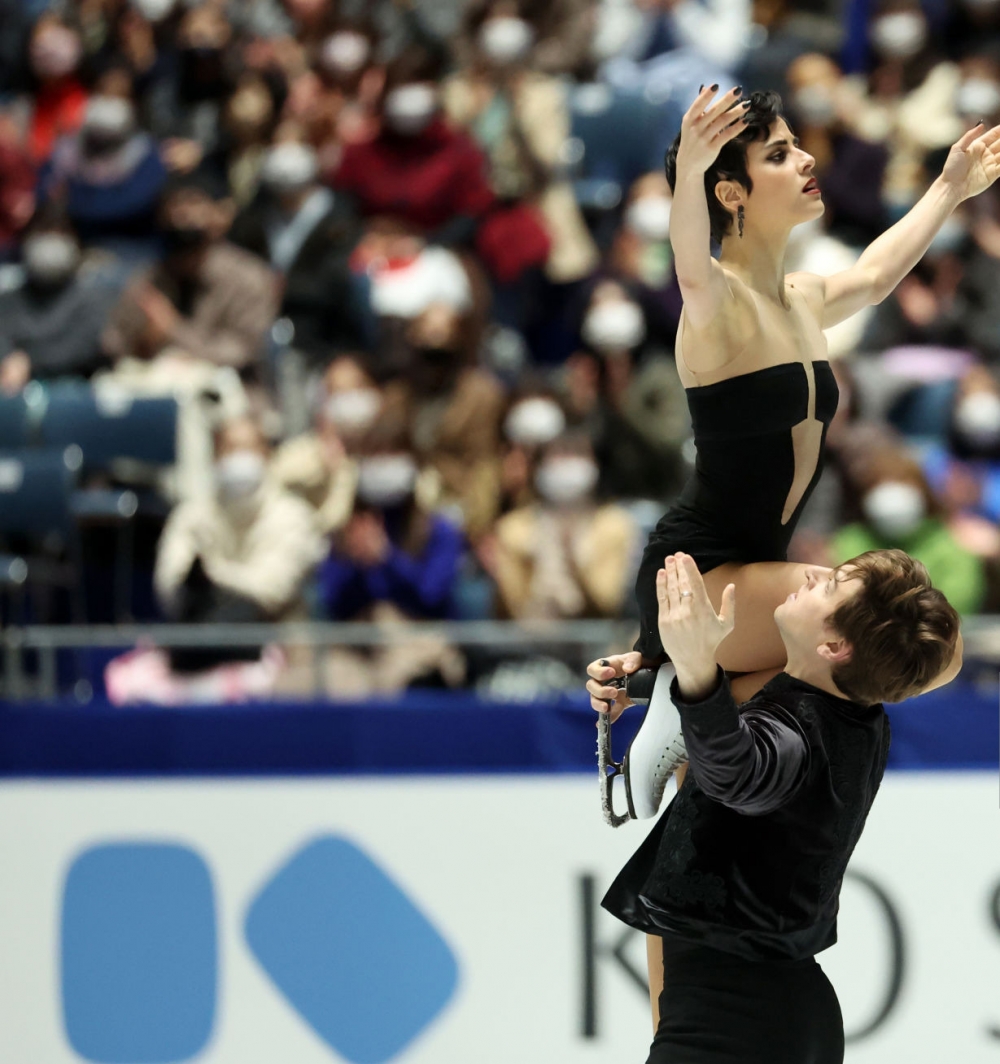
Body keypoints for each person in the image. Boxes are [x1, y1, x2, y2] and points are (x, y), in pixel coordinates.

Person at [587, 548, 959, 1064]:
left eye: (830, 587)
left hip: (735, 1026)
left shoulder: (800, 733)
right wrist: (655, 683)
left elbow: (736, 771)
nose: (812, 574)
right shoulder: (852, 712)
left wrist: (697, 664)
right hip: (773, 1017)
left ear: (833, 645)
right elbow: (744, 726)